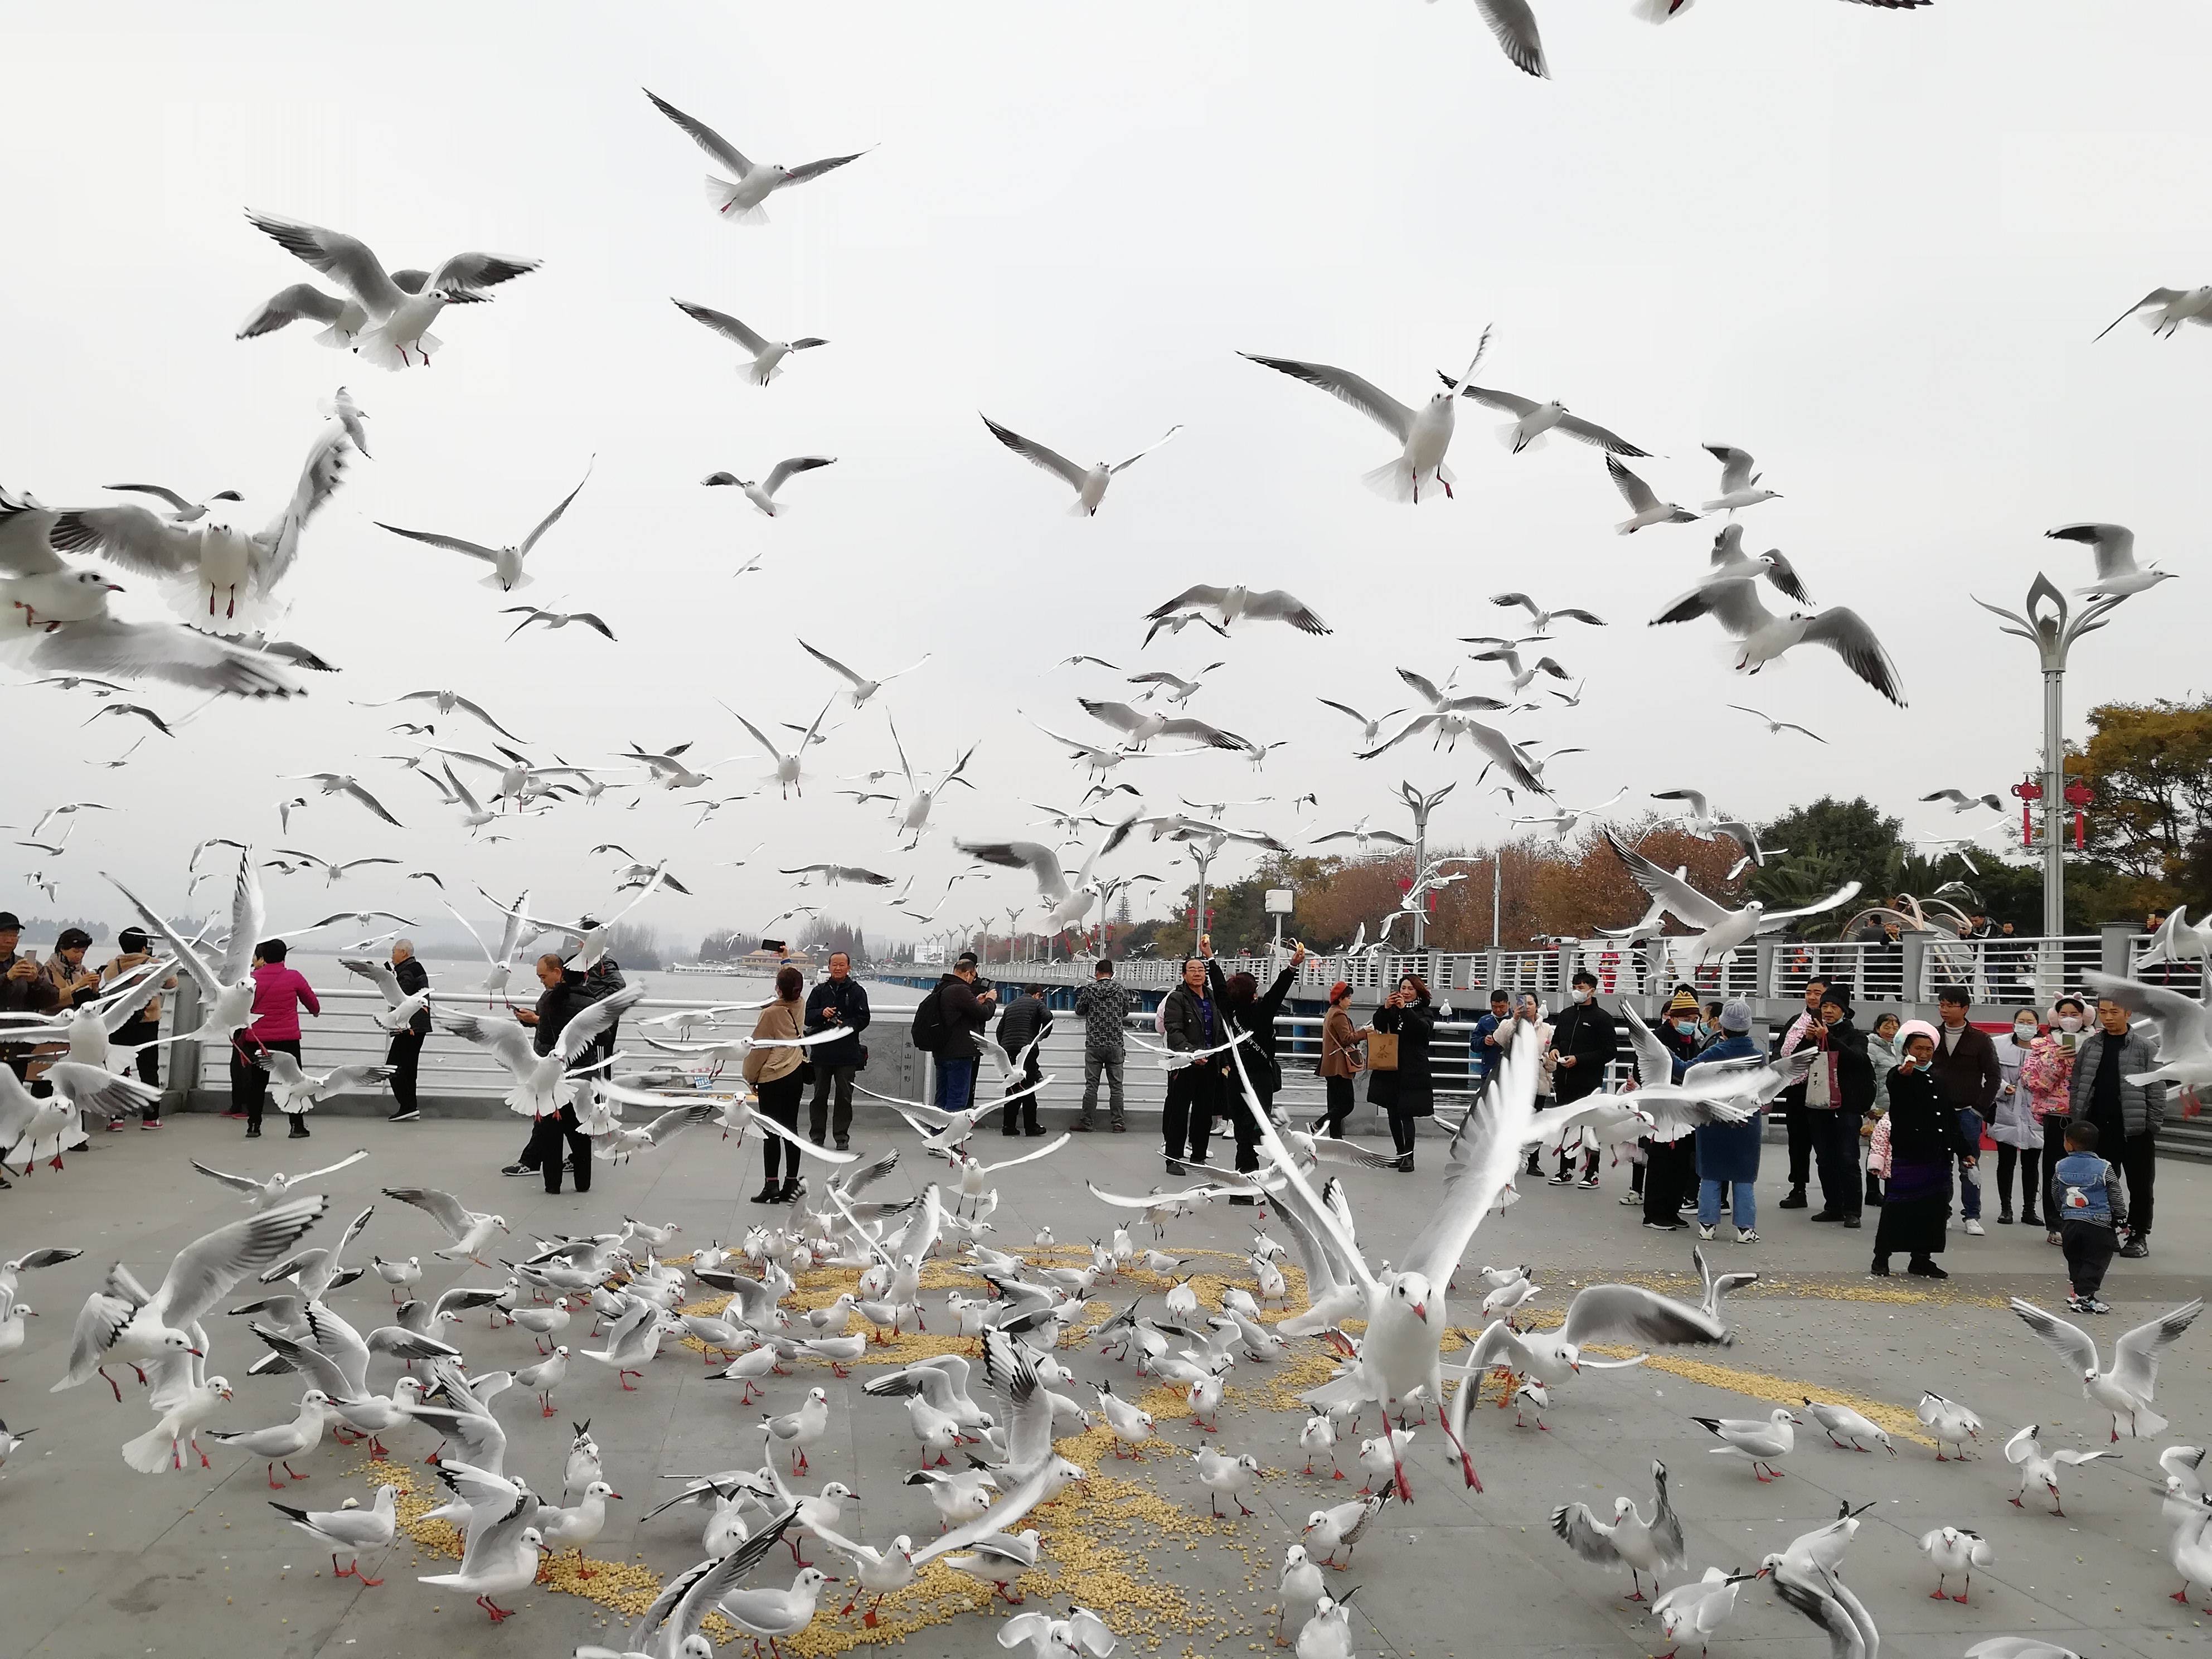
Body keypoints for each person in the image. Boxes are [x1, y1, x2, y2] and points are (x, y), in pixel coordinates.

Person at [1871, 1020, 1978, 1278]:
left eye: (1928, 1049)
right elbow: (1896, 1084)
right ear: (1907, 1049)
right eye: (1918, 1048)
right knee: (1898, 1206)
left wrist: (1964, 1151)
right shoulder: (1899, 1074)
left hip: (1938, 1154)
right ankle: (1881, 1257)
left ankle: (1921, 1258)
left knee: (1933, 1208)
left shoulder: (1938, 1077)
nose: (1923, 1054)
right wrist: (1903, 1073)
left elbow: (1949, 1119)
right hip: (1910, 1153)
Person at [2067, 993, 2165, 1259]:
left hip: (2135, 1129)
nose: (2108, 1018)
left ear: (2129, 1013)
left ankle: (2138, 1235)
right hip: (2098, 1128)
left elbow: (2157, 1089)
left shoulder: (2145, 1048)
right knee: (2101, 1183)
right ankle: (2105, 1231)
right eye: (2103, 1012)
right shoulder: (2090, 1046)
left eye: (2115, 1012)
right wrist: (2078, 1118)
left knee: (2140, 1185)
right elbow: (2078, 1084)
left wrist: (2151, 1124)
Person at [1205, 935, 1305, 1194]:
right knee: (1256, 1123)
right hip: (1260, 1077)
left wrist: (1210, 959)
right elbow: (1279, 990)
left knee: (1241, 1126)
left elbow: (1218, 987)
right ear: (1253, 994)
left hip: (1236, 1076)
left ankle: (1245, 1175)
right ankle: (1266, 1157)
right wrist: (1293, 965)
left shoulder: (1227, 1010)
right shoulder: (1262, 1011)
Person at [511, 954, 596, 1196]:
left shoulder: (551, 999)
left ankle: (553, 1185)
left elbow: (550, 1036)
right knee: (579, 1130)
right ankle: (583, 1182)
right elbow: (600, 1036)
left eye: (543, 976)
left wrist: (535, 1021)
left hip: (551, 1077)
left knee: (551, 1131)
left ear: (560, 973)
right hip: (581, 1075)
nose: (541, 982)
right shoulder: (592, 1001)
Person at [1928, 986, 2000, 1236]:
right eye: (1941, 1004)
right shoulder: (1932, 1036)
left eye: (1949, 1005)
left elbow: (1994, 1077)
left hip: (1968, 1111)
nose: (1944, 1010)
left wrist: (1979, 1110)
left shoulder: (1980, 1039)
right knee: (1940, 1163)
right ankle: (1942, 1211)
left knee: (1969, 1164)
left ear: (1965, 1008)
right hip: (1938, 1111)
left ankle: (1972, 1215)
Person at [1690, 999, 1763, 1244]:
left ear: (1722, 1026)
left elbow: (1687, 1070)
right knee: (1743, 1176)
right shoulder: (1758, 1056)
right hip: (1746, 1123)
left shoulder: (1713, 1053)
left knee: (1711, 1172)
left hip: (1713, 1120)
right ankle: (1745, 1230)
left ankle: (1707, 1226)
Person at [232, 939, 319, 1140]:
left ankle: (254, 1126)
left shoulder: (251, 979)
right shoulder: (294, 977)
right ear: (284, 956)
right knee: (294, 1083)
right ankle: (297, 1126)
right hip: (288, 1040)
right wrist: (314, 1012)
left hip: (259, 1040)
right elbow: (314, 1005)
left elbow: (239, 1007)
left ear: (263, 956)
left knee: (257, 1084)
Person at [1803, 987, 1874, 1229]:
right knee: (1824, 1158)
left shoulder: (1856, 1036)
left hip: (1848, 1106)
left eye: (1834, 1007)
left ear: (1844, 1011)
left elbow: (1858, 1059)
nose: (1828, 1011)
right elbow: (1795, 1062)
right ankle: (1832, 1206)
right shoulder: (1812, 1032)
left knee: (1848, 1158)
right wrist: (1809, 1041)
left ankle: (1853, 1210)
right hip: (1819, 1105)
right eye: (1825, 1007)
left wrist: (1828, 1038)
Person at [1638, 987, 1707, 1229]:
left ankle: (1672, 1209)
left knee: (1681, 1162)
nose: (1691, 1024)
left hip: (1685, 1111)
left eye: (1694, 1020)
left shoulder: (1692, 1042)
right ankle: (1654, 1213)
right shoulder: (1659, 1039)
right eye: (1687, 1019)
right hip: (1662, 1110)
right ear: (1674, 1018)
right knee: (1660, 1163)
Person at [2022, 995, 2085, 1245]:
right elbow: (2032, 1081)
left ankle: (2085, 1221)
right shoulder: (2043, 1046)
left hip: (2087, 1116)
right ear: (2055, 1017)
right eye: (2064, 1014)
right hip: (2057, 1117)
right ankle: (2055, 1224)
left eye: (2075, 1014)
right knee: (2055, 1171)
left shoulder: (2093, 1043)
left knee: (2087, 1173)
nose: (2069, 1019)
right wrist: (2057, 1058)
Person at [1545, 968, 1617, 1189]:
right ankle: (1565, 1170)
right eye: (1575, 988)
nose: (1577, 992)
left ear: (1592, 991)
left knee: (1589, 1128)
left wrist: (1580, 1059)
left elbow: (1609, 1051)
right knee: (1567, 1126)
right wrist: (1555, 1051)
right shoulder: (1566, 1015)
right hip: (1564, 1079)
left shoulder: (1602, 1018)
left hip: (1588, 1082)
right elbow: (1557, 1040)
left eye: (1582, 988)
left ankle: (1591, 1173)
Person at [100, 926, 176, 1128]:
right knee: (149, 1070)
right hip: (147, 1023)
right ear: (145, 946)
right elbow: (171, 983)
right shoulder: (153, 964)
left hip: (119, 1023)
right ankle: (151, 1118)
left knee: (119, 1070)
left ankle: (117, 1118)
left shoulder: (112, 966)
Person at [746, 966, 810, 1204]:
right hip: (795, 1073)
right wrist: (786, 961)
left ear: (777, 989)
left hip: (773, 1077)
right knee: (790, 1129)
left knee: (771, 1132)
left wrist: (750, 1076)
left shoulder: (770, 1014)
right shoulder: (800, 1004)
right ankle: (791, 1183)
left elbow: (759, 1048)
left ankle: (771, 1186)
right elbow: (792, 988)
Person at [2050, 1120, 2123, 1314]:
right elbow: (2115, 1193)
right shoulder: (2104, 1167)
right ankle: (2085, 1297)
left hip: (2071, 1222)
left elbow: (2056, 1191)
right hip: (2098, 1223)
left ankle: (2078, 1291)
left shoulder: (2060, 1166)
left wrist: (2062, 1210)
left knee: (2075, 1257)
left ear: (2069, 1144)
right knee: (2097, 1259)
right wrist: (2122, 1218)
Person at [1365, 972, 1435, 1172]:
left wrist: (1405, 1011)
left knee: (1407, 1113)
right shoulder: (1394, 1009)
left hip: (1413, 1068)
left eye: (1410, 989)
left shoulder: (1425, 1012)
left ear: (1418, 991)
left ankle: (1409, 1157)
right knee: (1392, 1111)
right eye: (1403, 988)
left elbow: (1422, 1031)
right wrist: (1385, 1008)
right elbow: (1379, 1024)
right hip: (1391, 1065)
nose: (1405, 992)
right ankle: (1399, 1152)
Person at [1160, 956, 1223, 1174]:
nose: (1198, 973)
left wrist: (1220, 1058)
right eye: (1192, 970)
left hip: (1210, 1064)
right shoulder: (1177, 998)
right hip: (1184, 1064)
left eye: (1201, 970)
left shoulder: (1212, 998)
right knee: (1179, 1111)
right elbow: (1173, 1030)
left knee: (1204, 1113)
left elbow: (1220, 1031)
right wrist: (1191, 1053)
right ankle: (1173, 1158)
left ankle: (1198, 1157)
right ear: (1184, 975)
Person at [803, 951, 871, 1151]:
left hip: (847, 1054)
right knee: (819, 1097)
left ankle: (842, 1137)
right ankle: (817, 1136)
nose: (838, 968)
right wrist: (822, 1014)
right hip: (822, 1054)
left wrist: (846, 1025)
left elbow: (864, 1019)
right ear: (829, 966)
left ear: (849, 967)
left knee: (844, 1097)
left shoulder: (857, 991)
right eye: (834, 964)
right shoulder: (819, 991)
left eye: (842, 965)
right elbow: (808, 1017)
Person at [1772, 976, 1828, 1209]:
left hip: (1824, 1091)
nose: (1812, 997)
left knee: (1826, 1145)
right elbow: (1782, 1050)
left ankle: (1833, 1196)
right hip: (1797, 1089)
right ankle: (1798, 1189)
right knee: (1798, 1143)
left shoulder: (1835, 1022)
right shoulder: (1797, 1021)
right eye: (1809, 992)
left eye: (1818, 993)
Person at [1988, 1005, 2044, 1227]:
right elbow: (1989, 1074)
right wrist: (2003, 1088)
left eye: (2030, 1023)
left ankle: (2030, 1209)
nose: (2026, 1026)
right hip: (2006, 1112)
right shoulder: (1997, 1045)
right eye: (2022, 1021)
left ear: (2038, 1026)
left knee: (2032, 1164)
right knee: (2006, 1162)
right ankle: (2006, 1209)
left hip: (2034, 1113)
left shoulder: (2046, 1047)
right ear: (2014, 1023)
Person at [1071, 959, 1133, 1132]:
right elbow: (1125, 1012)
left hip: (1095, 1044)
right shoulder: (1121, 990)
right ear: (1112, 973)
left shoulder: (1089, 990)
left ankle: (1087, 1122)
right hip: (1115, 1044)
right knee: (1117, 1087)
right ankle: (1118, 1123)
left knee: (1092, 1086)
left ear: (1096, 972)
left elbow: (1079, 1010)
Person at [932, 953, 997, 1115]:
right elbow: (984, 1014)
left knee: (942, 1096)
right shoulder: (960, 989)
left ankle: (937, 1131)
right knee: (957, 1099)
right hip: (960, 1052)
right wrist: (990, 1000)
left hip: (941, 1049)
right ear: (968, 973)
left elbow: (958, 1010)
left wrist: (975, 1000)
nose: (973, 980)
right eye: (973, 976)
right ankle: (951, 1137)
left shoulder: (942, 986)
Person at [0, 910, 60, 1086]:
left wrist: (36, 981)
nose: (10, 939)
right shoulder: (13, 971)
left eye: (14, 935)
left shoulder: (28, 965)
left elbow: (51, 999)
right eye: (4, 934)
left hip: (18, 1049)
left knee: (13, 1101)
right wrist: (7, 978)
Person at [995, 986, 1055, 1137]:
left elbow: (999, 1031)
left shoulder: (1011, 1005)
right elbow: (1048, 1016)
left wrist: (1005, 1047)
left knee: (1013, 1087)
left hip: (1008, 1050)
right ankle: (1031, 1126)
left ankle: (1008, 1126)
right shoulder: (1037, 1003)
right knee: (1028, 1089)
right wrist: (1042, 1035)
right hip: (1026, 1049)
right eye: (1041, 996)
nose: (1041, 999)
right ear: (1037, 995)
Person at [383, 939, 431, 1124]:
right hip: (419, 1026)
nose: (392, 955)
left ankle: (407, 1106)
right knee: (409, 1068)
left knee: (393, 1066)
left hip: (410, 1027)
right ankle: (410, 1107)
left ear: (404, 953)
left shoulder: (408, 970)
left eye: (394, 951)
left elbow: (401, 994)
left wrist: (389, 978)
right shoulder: (416, 967)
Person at [1863, 1011, 1903, 1206]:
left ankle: (1890, 1189)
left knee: (1893, 1150)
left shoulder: (1900, 1050)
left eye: (1895, 1027)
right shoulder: (1871, 1048)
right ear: (1878, 1028)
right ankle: (1872, 1190)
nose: (1891, 1031)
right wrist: (1870, 1108)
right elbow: (1868, 1078)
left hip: (1897, 1108)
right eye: (1887, 1027)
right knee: (1877, 1150)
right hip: (1878, 1108)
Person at [1519, 993, 1556, 1177]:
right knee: (1513, 1121)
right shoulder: (1513, 1025)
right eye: (1523, 1004)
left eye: (1530, 1003)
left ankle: (1534, 1162)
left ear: (1537, 1006)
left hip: (1539, 1081)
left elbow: (1551, 1055)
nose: (1527, 1007)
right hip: (1516, 1082)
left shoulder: (1547, 1029)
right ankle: (1509, 1159)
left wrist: (1548, 1062)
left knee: (1536, 1122)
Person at [1318, 981, 1362, 1138]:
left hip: (1329, 1065)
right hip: (1339, 1066)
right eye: (1348, 998)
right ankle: (1318, 1124)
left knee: (1334, 1103)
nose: (1350, 1001)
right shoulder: (1339, 1014)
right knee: (1347, 1104)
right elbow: (1346, 1039)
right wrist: (1365, 1032)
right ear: (1341, 999)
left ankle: (1335, 1137)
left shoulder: (1331, 1012)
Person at [1471, 989, 1511, 1090]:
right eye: (1494, 1007)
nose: (1498, 1010)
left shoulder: (1515, 1021)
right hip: (1489, 1070)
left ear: (1508, 1004)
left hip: (1512, 1072)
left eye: (1502, 1007)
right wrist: (1484, 1041)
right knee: (1488, 1103)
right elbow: (1474, 1045)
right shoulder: (1484, 1021)